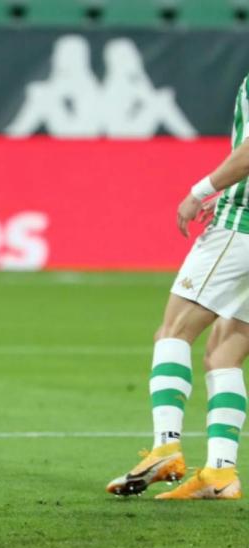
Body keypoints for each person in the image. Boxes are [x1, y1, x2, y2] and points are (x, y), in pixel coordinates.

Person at [105, 75, 249, 499]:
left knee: (173, 331)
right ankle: (221, 472)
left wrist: (201, 192)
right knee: (226, 349)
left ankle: (166, 444)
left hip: (241, 227)